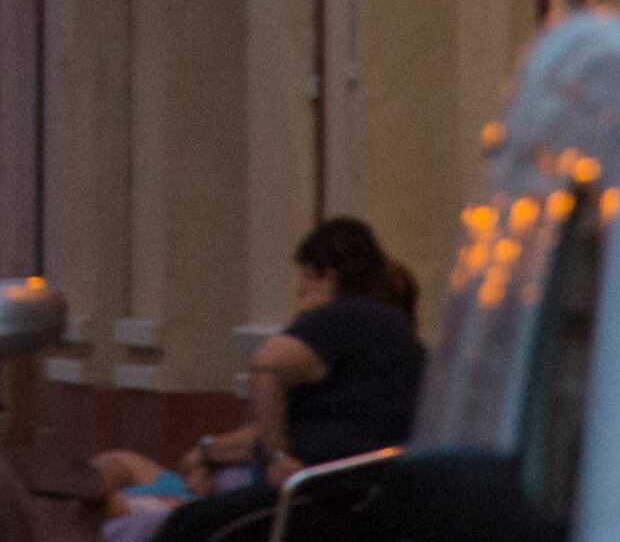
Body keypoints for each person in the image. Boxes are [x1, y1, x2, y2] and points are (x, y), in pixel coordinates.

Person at [156, 220, 428, 542]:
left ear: (327, 276)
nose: (298, 290)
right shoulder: (386, 330)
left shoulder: (346, 316)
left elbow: (267, 366)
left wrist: (279, 458)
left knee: (191, 527)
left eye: (303, 276)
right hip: (363, 492)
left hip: (328, 494)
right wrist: (210, 453)